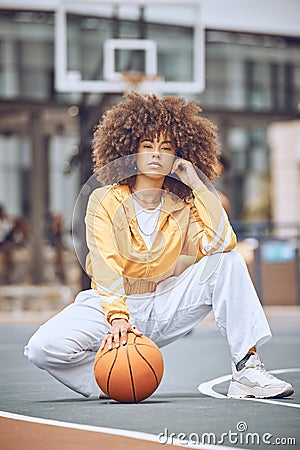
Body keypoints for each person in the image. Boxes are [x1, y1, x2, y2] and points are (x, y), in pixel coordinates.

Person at [24, 92, 293, 400]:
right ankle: (114, 379)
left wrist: (198, 184)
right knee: (41, 348)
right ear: (130, 150)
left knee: (227, 260)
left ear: (178, 156)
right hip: (114, 305)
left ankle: (247, 370)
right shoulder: (104, 199)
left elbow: (221, 243)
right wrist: (119, 319)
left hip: (167, 304)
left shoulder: (187, 203)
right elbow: (105, 262)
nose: (156, 154)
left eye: (166, 147)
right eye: (147, 146)